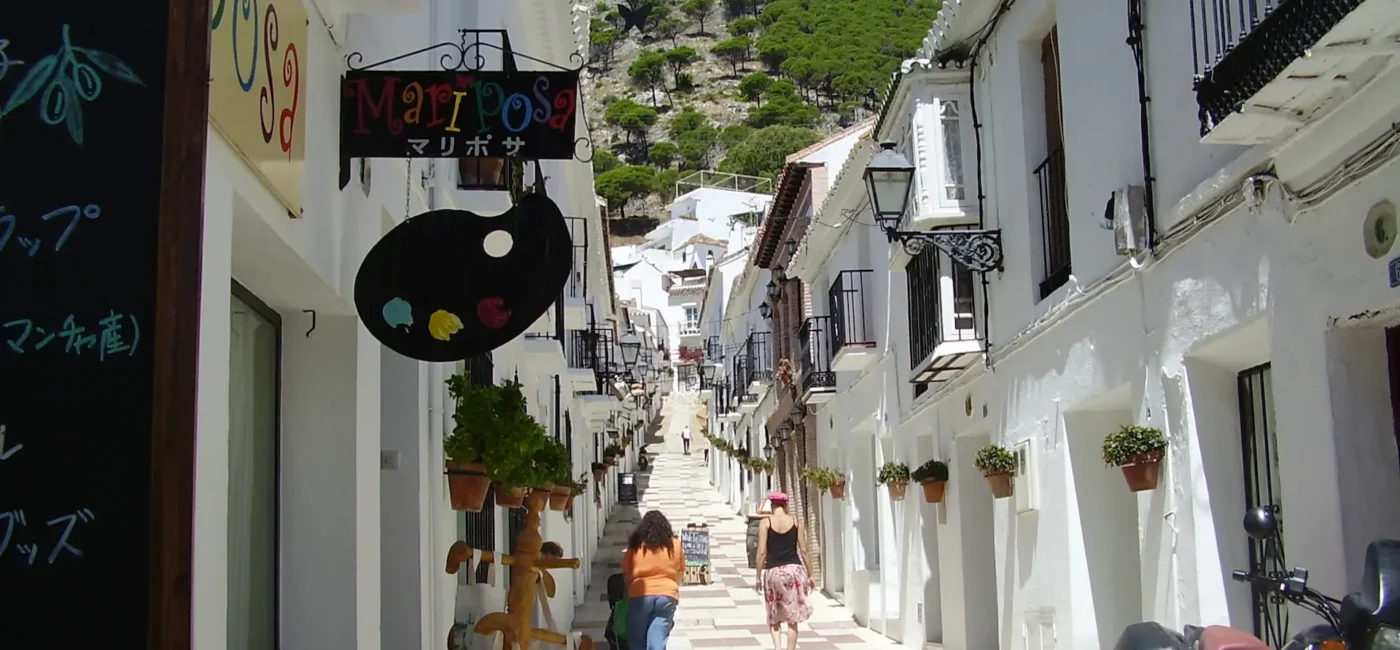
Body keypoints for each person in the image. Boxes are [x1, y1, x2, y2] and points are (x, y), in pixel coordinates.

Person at [755, 492, 814, 650]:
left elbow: (761, 552)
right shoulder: (796, 522)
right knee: (793, 618)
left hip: (773, 572)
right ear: (786, 505)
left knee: (774, 614)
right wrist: (810, 574)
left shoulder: (765, 523)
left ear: (772, 506)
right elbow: (804, 550)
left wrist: (758, 576)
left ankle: (777, 647)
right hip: (794, 572)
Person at [622, 510, 684, 650]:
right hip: (667, 594)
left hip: (640, 594)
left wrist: (630, 590)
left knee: (637, 642)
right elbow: (679, 573)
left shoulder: (636, 544)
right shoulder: (674, 544)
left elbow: (626, 571)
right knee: (657, 642)